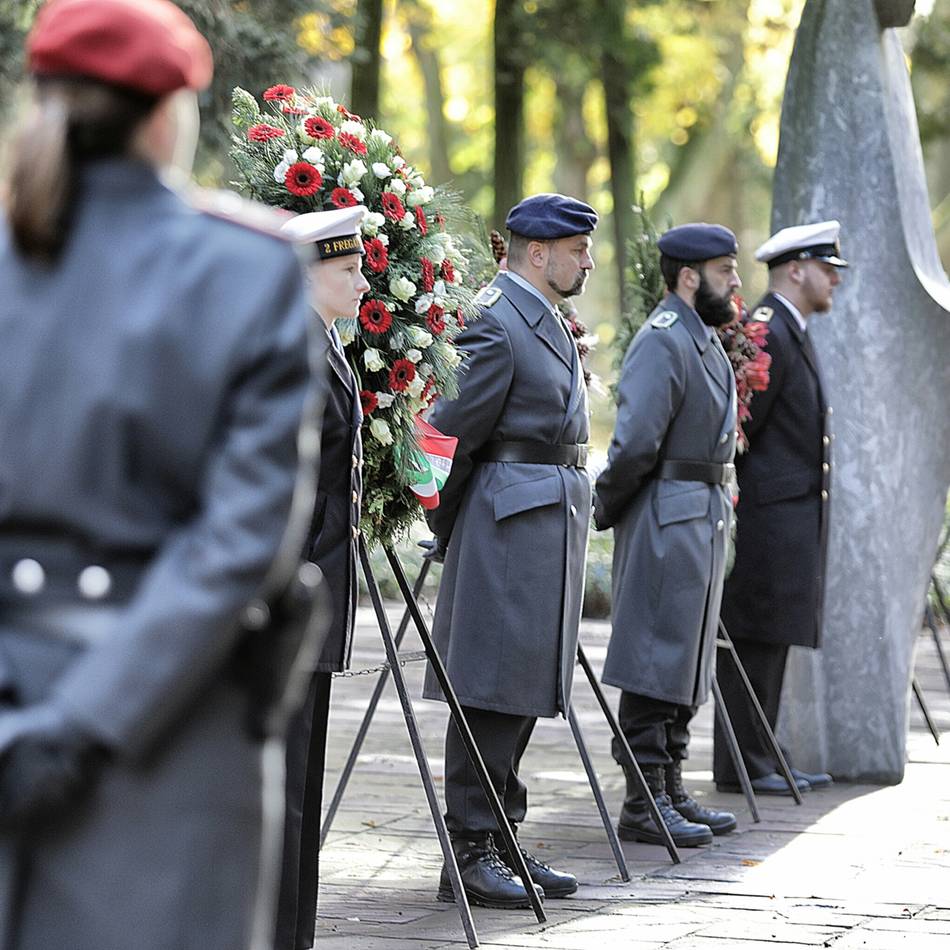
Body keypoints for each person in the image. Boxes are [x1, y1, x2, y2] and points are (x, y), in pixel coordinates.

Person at [0, 2, 319, 948]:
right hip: (167, 731)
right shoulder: (249, 270)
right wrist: (87, 722)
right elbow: (240, 543)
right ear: (167, 114)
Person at [422, 193, 596, 909]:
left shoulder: (540, 316)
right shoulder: (497, 319)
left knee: (519, 689)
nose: (587, 259)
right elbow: (444, 433)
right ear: (537, 253)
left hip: (538, 529)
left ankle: (498, 837)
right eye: (577, 249)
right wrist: (446, 523)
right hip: (504, 528)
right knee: (490, 693)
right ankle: (468, 853)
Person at [593, 223, 742, 848]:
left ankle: (670, 786)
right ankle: (643, 799)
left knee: (684, 658)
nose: (735, 281)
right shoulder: (664, 340)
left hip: (697, 516)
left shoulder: (699, 336)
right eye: (724, 270)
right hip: (665, 517)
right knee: (655, 658)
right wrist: (607, 506)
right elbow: (634, 446)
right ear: (689, 276)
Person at [713, 221, 847, 796]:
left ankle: (761, 754)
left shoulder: (791, 330)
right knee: (754, 636)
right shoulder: (766, 331)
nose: (835, 280)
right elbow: (742, 432)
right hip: (766, 515)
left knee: (772, 637)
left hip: (786, 514)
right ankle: (743, 762)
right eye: (828, 268)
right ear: (797, 269)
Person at [275, 207, 368, 950]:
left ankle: (294, 933)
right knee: (284, 789)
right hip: (297, 598)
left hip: (320, 600)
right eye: (349, 269)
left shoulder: (325, 343)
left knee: (303, 783)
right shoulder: (298, 349)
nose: (365, 280)